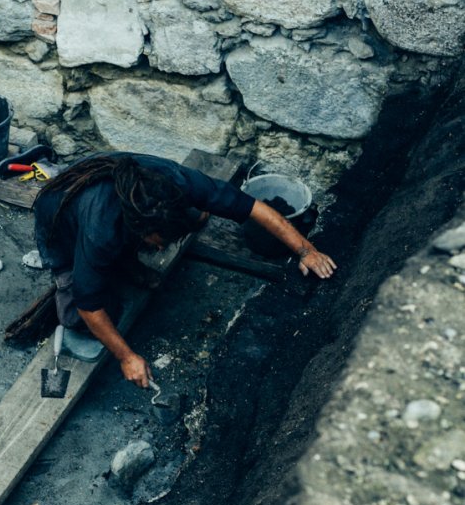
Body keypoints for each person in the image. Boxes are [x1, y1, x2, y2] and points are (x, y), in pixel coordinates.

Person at [34, 152, 336, 388]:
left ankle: (127, 264)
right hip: (60, 220)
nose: (164, 247)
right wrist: (127, 357)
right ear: (138, 229)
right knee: (82, 317)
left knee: (197, 217)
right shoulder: (101, 231)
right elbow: (89, 306)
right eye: (159, 241)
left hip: (116, 199)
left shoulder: (177, 182)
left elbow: (252, 208)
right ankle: (116, 266)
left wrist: (306, 250)